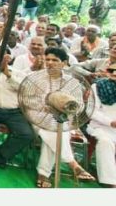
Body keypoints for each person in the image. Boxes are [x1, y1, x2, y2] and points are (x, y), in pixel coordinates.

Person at [25, 48, 95, 187]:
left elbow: (79, 107)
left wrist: (63, 108)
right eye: (48, 60)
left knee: (55, 133)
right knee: (52, 132)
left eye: (55, 60)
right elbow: (26, 100)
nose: (50, 63)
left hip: (63, 119)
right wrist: (45, 104)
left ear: (63, 63)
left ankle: (43, 174)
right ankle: (73, 164)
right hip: (38, 117)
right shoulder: (35, 78)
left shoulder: (72, 82)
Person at [87, 66, 116, 187]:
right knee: (105, 142)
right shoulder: (98, 86)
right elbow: (91, 111)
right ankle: (110, 183)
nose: (114, 73)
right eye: (112, 71)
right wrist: (110, 122)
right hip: (99, 127)